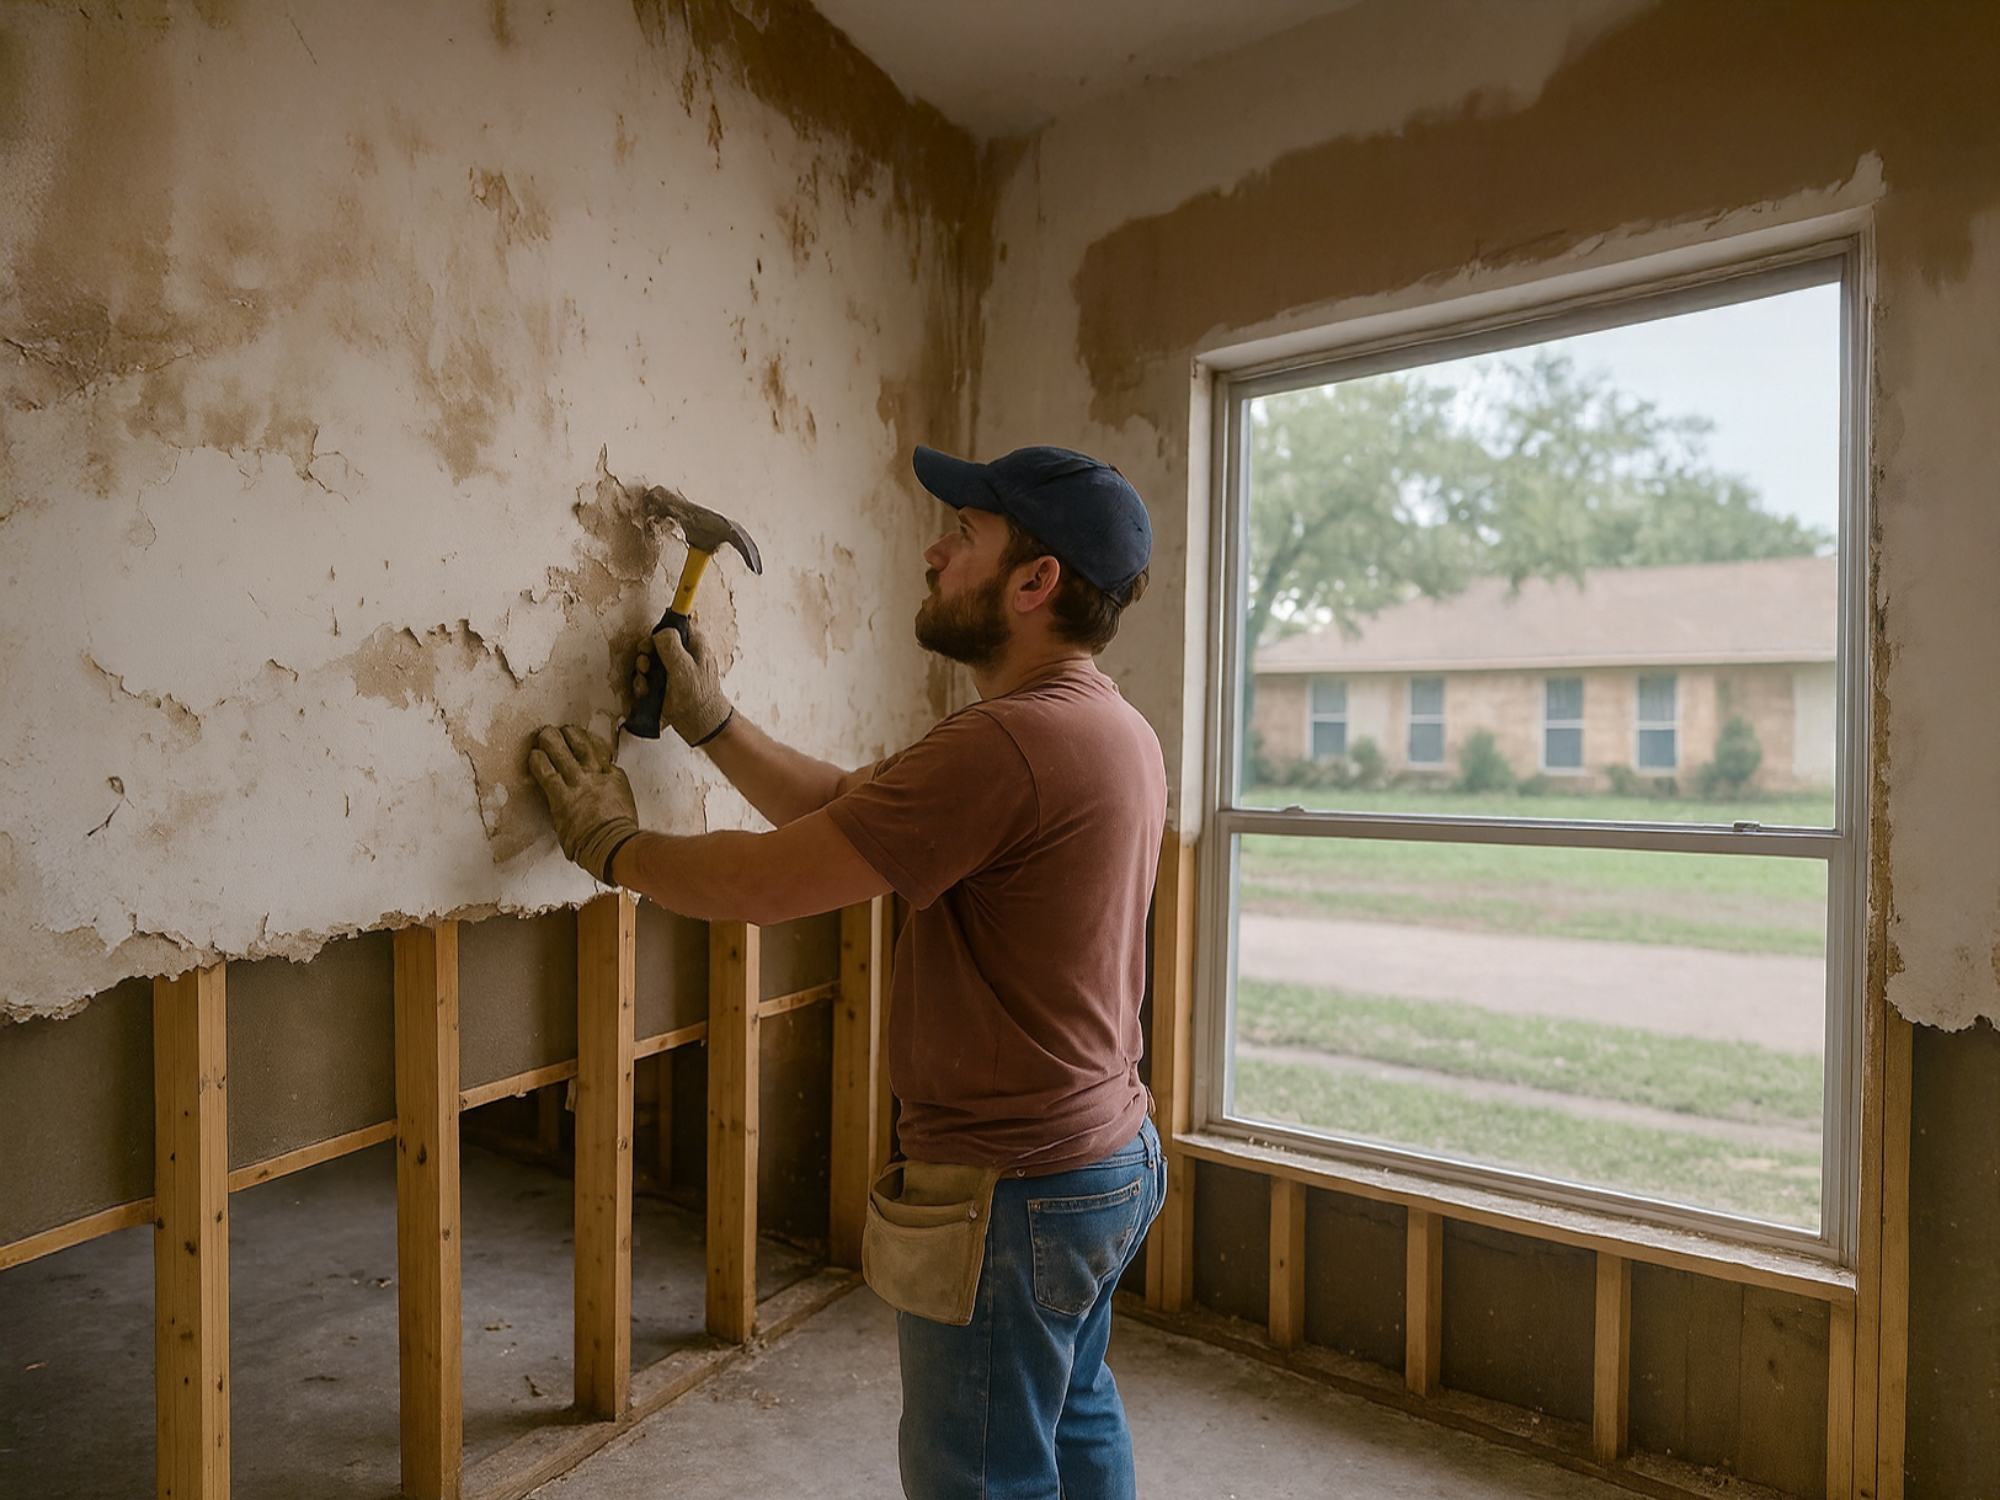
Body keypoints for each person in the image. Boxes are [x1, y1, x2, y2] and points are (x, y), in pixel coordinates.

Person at [528, 443, 1168, 1500]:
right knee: (1069, 1410)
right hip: (1101, 1157)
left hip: (1014, 1185)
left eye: (963, 538)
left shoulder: (1004, 745)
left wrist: (611, 846)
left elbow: (770, 883)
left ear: (1033, 581)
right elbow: (843, 813)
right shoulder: (1104, 724)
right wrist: (712, 723)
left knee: (978, 1472)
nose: (932, 551)